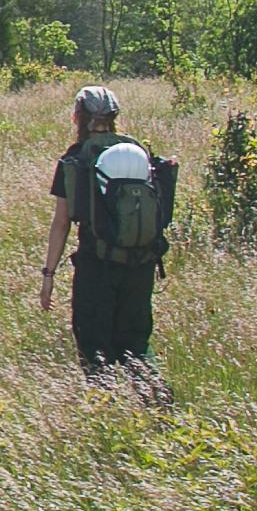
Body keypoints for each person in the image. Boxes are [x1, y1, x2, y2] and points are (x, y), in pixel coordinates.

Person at [39, 84, 171, 379]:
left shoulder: (75, 159)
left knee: (95, 353)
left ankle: (106, 415)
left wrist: (48, 276)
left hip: (96, 268)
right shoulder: (138, 151)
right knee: (136, 349)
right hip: (141, 267)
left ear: (76, 117)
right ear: (114, 117)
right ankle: (160, 410)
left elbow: (61, 223)